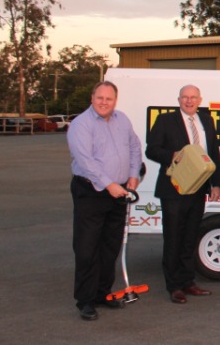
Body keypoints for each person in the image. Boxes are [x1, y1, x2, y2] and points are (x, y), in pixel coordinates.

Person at [68, 81, 142, 321]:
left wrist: (133, 174)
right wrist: (109, 184)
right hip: (91, 192)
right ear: (92, 98)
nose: (103, 102)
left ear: (115, 101)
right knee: (87, 247)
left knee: (110, 246)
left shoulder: (122, 120)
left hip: (118, 192)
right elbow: (86, 160)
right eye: (100, 98)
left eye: (108, 99)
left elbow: (134, 146)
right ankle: (85, 300)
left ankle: (102, 293)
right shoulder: (81, 124)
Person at [145, 84, 220, 304]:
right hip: (174, 188)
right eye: (185, 97)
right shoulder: (165, 121)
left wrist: (216, 183)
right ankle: (174, 286)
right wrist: (174, 155)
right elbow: (151, 149)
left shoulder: (206, 120)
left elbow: (213, 153)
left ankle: (188, 282)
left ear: (200, 100)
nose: (189, 101)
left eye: (193, 97)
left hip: (198, 187)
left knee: (190, 237)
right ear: (178, 100)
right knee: (173, 238)